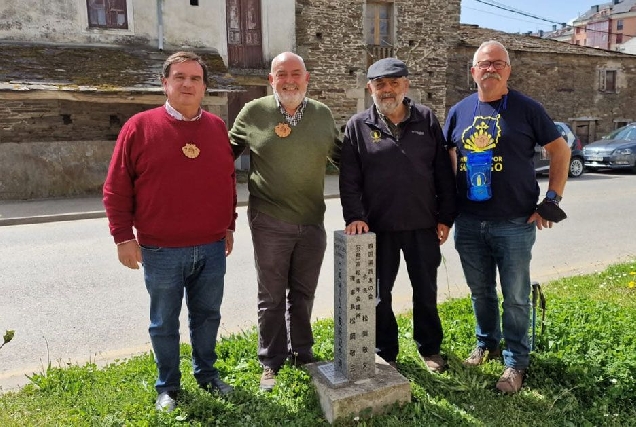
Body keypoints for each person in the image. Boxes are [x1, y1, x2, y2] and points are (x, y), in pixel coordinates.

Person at [103, 51, 237, 411]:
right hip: (161, 250)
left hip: (210, 246)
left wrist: (228, 224)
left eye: (195, 78)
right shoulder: (139, 126)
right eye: (179, 77)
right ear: (165, 83)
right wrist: (123, 237)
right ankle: (169, 387)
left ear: (205, 86)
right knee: (164, 321)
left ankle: (207, 375)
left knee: (207, 315)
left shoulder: (216, 127)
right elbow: (116, 187)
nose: (187, 84)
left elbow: (226, 181)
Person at [443, 40, 571, 393]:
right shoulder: (459, 111)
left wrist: (552, 198)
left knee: (515, 296)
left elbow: (561, 150)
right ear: (473, 71)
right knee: (480, 291)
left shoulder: (528, 109)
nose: (491, 69)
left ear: (508, 70)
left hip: (514, 222)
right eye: (484, 64)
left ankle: (515, 363)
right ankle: (487, 343)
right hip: (468, 221)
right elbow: (450, 157)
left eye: (498, 63)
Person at [228, 52, 341, 391]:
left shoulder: (322, 115)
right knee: (272, 296)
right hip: (269, 219)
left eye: (296, 73)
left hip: (312, 220)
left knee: (303, 293)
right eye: (282, 74)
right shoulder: (254, 112)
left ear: (307, 78)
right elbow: (221, 157)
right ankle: (271, 361)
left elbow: (346, 159)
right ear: (271, 80)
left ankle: (302, 353)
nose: (289, 80)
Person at [339, 58, 457, 373]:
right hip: (378, 227)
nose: (387, 90)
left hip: (423, 224)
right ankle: (386, 352)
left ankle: (429, 348)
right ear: (370, 88)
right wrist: (355, 216)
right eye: (380, 84)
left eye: (394, 82)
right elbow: (349, 178)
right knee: (379, 295)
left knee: (426, 290)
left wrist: (445, 216)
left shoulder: (427, 119)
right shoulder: (357, 125)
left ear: (405, 85)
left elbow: (443, 171)